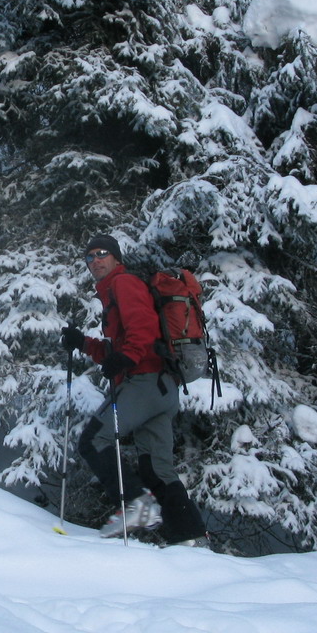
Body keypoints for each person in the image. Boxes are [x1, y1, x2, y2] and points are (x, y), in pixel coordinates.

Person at [60, 234, 208, 546]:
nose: (95, 261)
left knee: (92, 441)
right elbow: (119, 349)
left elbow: (141, 329)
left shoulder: (123, 284)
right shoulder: (114, 290)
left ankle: (137, 506)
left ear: (115, 257)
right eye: (89, 257)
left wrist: (127, 357)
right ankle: (191, 537)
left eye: (101, 254)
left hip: (144, 381)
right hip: (163, 388)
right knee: (157, 469)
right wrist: (84, 344)